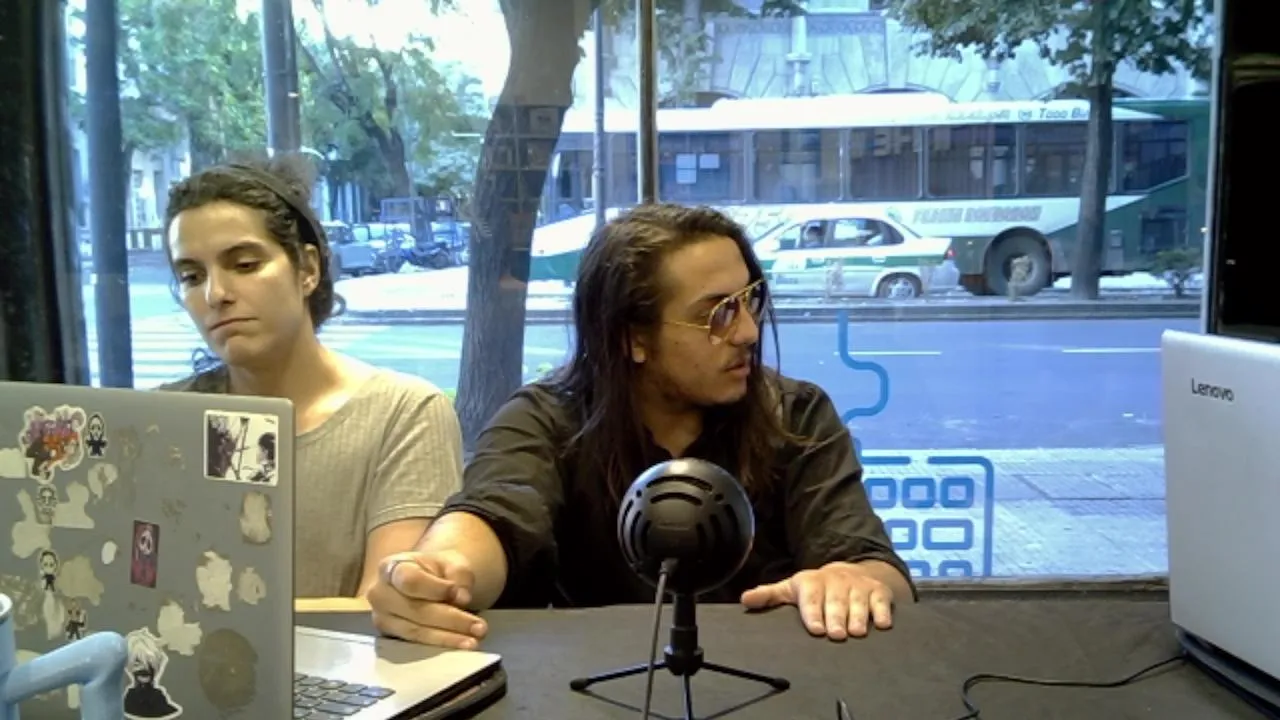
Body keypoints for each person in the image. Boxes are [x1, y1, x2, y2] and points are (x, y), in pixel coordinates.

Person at [367, 203, 915, 649]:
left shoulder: (795, 415)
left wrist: (854, 581)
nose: (749, 332)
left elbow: (877, 570)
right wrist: (440, 572)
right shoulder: (545, 420)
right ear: (633, 337)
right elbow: (492, 515)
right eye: (719, 313)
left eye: (749, 300)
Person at [157, 155, 463, 600]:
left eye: (245, 265)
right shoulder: (165, 421)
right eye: (191, 276)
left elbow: (385, 610)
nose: (216, 294)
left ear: (308, 269)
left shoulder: (402, 413)